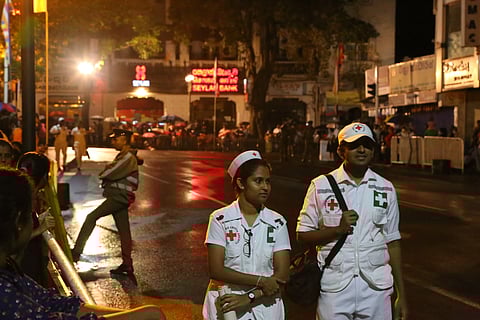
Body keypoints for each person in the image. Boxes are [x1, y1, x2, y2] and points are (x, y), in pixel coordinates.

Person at [0, 167, 165, 319]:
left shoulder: (8, 269)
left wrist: (133, 315)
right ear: (18, 223)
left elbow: (52, 302)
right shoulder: (4, 289)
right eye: (31, 214)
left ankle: (118, 260)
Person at [296, 122, 407, 320]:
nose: (362, 149)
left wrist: (401, 296)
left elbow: (393, 243)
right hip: (335, 288)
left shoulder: (386, 188)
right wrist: (337, 230)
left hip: (376, 289)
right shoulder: (320, 186)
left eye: (367, 145)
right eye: (355, 145)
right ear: (341, 151)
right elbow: (302, 235)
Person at [202, 150, 291, 320]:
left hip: (266, 306)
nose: (265, 187)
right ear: (241, 183)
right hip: (227, 305)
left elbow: (282, 274)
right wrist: (262, 281)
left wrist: (250, 297)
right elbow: (216, 270)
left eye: (268, 181)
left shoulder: (277, 222)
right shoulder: (220, 219)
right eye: (258, 181)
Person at [71, 129, 141, 276]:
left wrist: (105, 172)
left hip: (119, 197)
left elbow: (108, 173)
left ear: (124, 139)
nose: (113, 142)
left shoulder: (128, 157)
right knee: (124, 231)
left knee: (91, 217)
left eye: (115, 139)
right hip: (118, 196)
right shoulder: (123, 156)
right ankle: (127, 264)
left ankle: (76, 253)